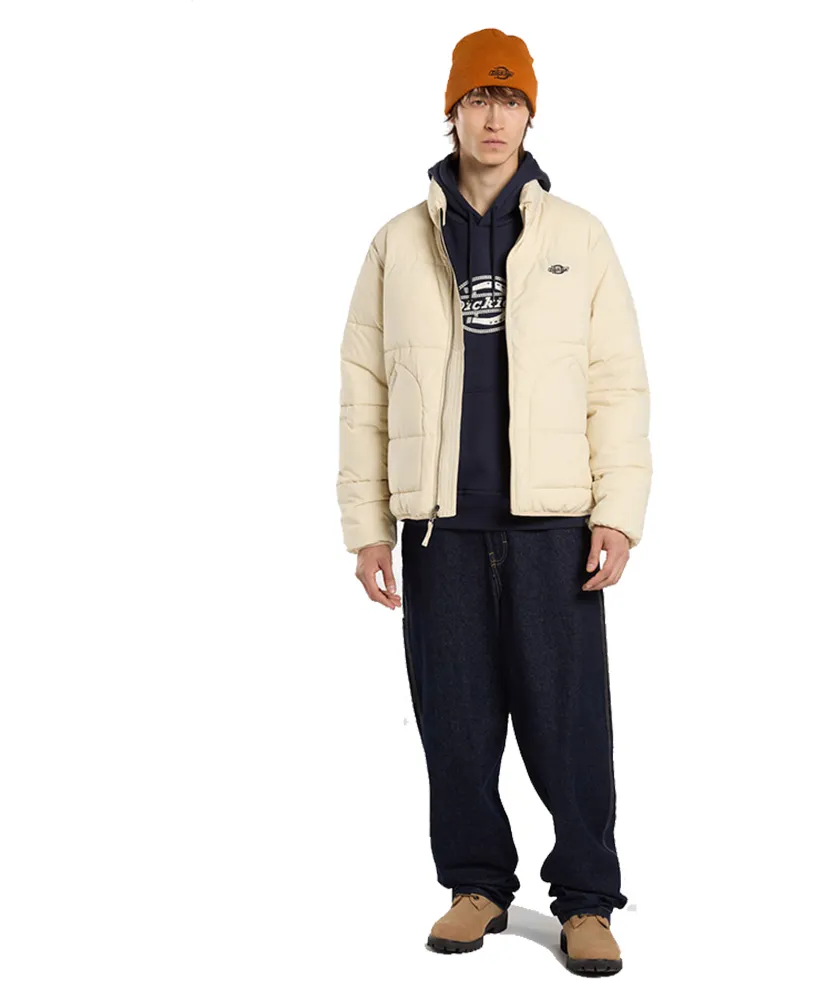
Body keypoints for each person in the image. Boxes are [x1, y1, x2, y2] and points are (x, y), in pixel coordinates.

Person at [337, 27, 651, 976]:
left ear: (529, 115)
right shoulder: (397, 243)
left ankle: (586, 899)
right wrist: (367, 528)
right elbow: (364, 391)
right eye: (480, 98)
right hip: (440, 529)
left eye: (511, 101)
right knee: (456, 724)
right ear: (455, 109)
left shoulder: (578, 238)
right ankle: (476, 885)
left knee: (569, 724)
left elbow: (617, 384)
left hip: (554, 527)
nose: (495, 117)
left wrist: (618, 511)